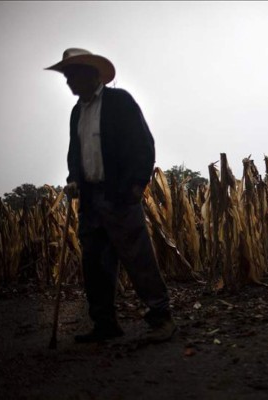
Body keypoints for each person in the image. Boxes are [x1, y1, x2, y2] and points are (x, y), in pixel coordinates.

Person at [45, 48, 176, 343]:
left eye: (72, 75)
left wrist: (135, 186)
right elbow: (75, 153)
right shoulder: (77, 112)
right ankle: (104, 324)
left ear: (91, 74)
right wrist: (73, 179)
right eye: (66, 77)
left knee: (138, 259)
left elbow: (143, 144)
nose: (68, 82)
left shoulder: (120, 102)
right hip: (90, 200)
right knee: (94, 264)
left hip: (119, 196)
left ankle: (161, 318)